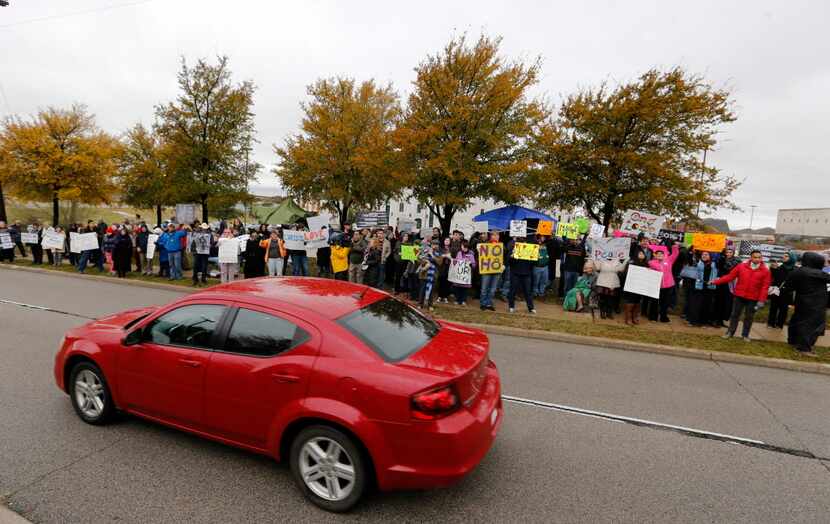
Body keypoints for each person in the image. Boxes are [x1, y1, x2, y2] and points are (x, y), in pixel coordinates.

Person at [712, 250, 771, 342]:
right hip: (739, 296)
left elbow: (765, 287)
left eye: (759, 257)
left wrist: (761, 300)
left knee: (749, 317)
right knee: (734, 315)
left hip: (753, 298)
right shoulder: (741, 266)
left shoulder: (765, 271)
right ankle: (730, 332)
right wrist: (716, 281)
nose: (757, 259)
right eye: (755, 257)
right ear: (750, 258)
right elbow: (730, 277)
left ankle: (745, 335)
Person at [781, 252, 830, 356]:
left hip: (801, 301)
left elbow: (788, 287)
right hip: (816, 304)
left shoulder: (797, 271)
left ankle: (793, 341)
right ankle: (804, 348)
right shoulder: (817, 273)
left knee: (797, 321)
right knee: (812, 326)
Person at [647, 243, 680, 323]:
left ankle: (663, 317)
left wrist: (674, 246)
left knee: (665, 303)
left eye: (661, 254)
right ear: (655, 255)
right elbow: (649, 271)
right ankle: (653, 317)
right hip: (656, 285)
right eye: (658, 254)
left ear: (664, 255)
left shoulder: (669, 260)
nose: (659, 255)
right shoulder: (651, 262)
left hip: (668, 286)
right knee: (654, 302)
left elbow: (675, 254)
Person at [687, 251, 719, 327]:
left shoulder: (714, 264)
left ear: (710, 256)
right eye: (703, 254)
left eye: (706, 254)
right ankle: (693, 321)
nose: (704, 256)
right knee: (695, 305)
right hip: (697, 287)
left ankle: (703, 322)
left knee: (706, 306)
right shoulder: (697, 263)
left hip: (708, 288)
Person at [767, 251, 796, 329]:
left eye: (786, 256)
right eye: (784, 256)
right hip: (776, 292)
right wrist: (773, 269)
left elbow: (795, 282)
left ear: (792, 258)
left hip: (786, 293)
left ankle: (779, 325)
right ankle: (770, 323)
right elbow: (775, 278)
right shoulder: (780, 267)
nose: (784, 257)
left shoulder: (795, 269)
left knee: (783, 310)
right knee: (773, 308)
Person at [594, 253, 628, 320]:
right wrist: (595, 259)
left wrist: (626, 260)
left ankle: (609, 313)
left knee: (610, 299)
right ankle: (602, 312)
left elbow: (621, 269)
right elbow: (597, 268)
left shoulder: (616, 260)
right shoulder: (601, 259)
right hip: (602, 281)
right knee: (602, 298)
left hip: (612, 282)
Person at [507, 237, 536, 314]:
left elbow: (534, 262)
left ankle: (531, 308)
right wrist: (512, 255)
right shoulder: (513, 249)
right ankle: (511, 306)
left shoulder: (530, 249)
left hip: (526, 274)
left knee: (528, 292)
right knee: (513, 290)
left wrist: (534, 256)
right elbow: (509, 261)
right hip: (515, 273)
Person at [622, 249, 649, 324]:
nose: (641, 255)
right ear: (636, 254)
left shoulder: (646, 264)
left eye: (643, 254)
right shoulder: (631, 262)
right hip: (631, 285)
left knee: (638, 302)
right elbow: (625, 273)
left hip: (640, 286)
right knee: (631, 301)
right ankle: (628, 318)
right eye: (640, 253)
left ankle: (634, 317)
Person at [715, 247, 740, 327]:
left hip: (731, 284)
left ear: (733, 253)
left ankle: (722, 319)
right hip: (721, 283)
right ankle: (717, 320)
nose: (728, 254)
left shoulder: (737, 261)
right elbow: (719, 268)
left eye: (730, 252)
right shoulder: (721, 260)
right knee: (719, 302)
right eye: (727, 252)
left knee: (728, 303)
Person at [478, 232, 503, 312]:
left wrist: (504, 265)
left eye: (497, 235)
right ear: (491, 236)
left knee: (493, 289)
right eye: (494, 235)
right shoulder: (485, 244)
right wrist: (478, 249)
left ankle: (489, 303)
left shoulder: (502, 246)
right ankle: (483, 304)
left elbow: (505, 256)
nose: (496, 237)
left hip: (497, 270)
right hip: (486, 269)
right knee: (484, 288)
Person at [417, 240, 442, 311]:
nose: (435, 246)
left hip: (433, 274)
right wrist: (426, 262)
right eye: (434, 244)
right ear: (431, 245)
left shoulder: (439, 253)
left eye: (437, 244)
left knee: (432, 291)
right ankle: (420, 304)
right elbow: (418, 259)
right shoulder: (425, 251)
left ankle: (430, 305)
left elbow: (439, 262)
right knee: (422, 290)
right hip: (424, 274)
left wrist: (432, 255)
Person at [452, 240, 476, 306]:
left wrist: (471, 264)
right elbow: (456, 261)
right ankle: (457, 299)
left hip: (466, 275)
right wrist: (454, 261)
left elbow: (474, 265)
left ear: (468, 247)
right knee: (457, 287)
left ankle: (463, 300)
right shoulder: (459, 253)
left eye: (465, 247)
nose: (464, 248)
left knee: (465, 288)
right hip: (459, 275)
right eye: (463, 247)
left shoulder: (471, 255)